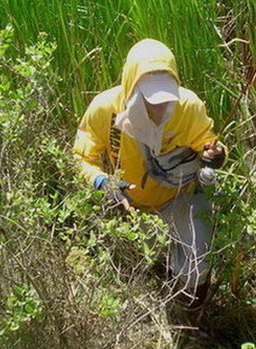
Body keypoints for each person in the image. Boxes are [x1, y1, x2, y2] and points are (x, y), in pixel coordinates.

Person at [73, 38, 226, 308]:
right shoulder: (104, 108)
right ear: (131, 86)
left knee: (198, 255)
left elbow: (207, 142)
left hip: (180, 196)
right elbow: (82, 158)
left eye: (165, 96)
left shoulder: (188, 106)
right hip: (130, 205)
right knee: (142, 263)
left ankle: (190, 313)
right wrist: (102, 182)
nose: (158, 107)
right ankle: (158, 274)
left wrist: (215, 154)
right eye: (149, 98)